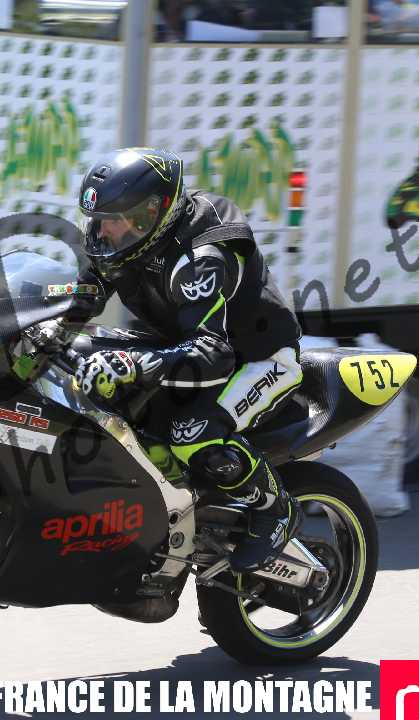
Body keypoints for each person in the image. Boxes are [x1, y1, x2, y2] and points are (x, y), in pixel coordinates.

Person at [69, 147, 304, 575]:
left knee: (192, 433)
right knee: (80, 357)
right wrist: (39, 329)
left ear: (149, 214)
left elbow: (211, 354)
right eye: (96, 219)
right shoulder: (122, 242)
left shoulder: (201, 258)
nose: (101, 231)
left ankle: (275, 510)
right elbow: (81, 301)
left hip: (254, 358)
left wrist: (133, 365)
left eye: (112, 220)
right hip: (179, 347)